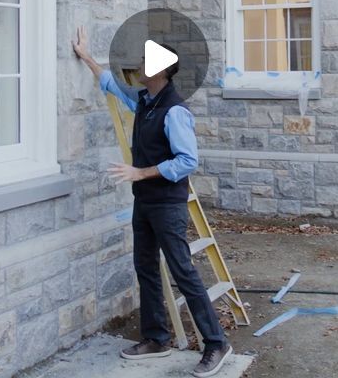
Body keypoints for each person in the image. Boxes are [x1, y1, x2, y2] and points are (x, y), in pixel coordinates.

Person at [72, 26, 232, 377]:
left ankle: (216, 343)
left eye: (145, 62)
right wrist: (86, 57)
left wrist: (140, 173)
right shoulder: (145, 101)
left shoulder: (174, 111)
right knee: (145, 268)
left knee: (183, 273)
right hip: (143, 202)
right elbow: (110, 85)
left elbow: (188, 161)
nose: (139, 66)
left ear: (159, 71)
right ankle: (156, 338)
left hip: (167, 205)